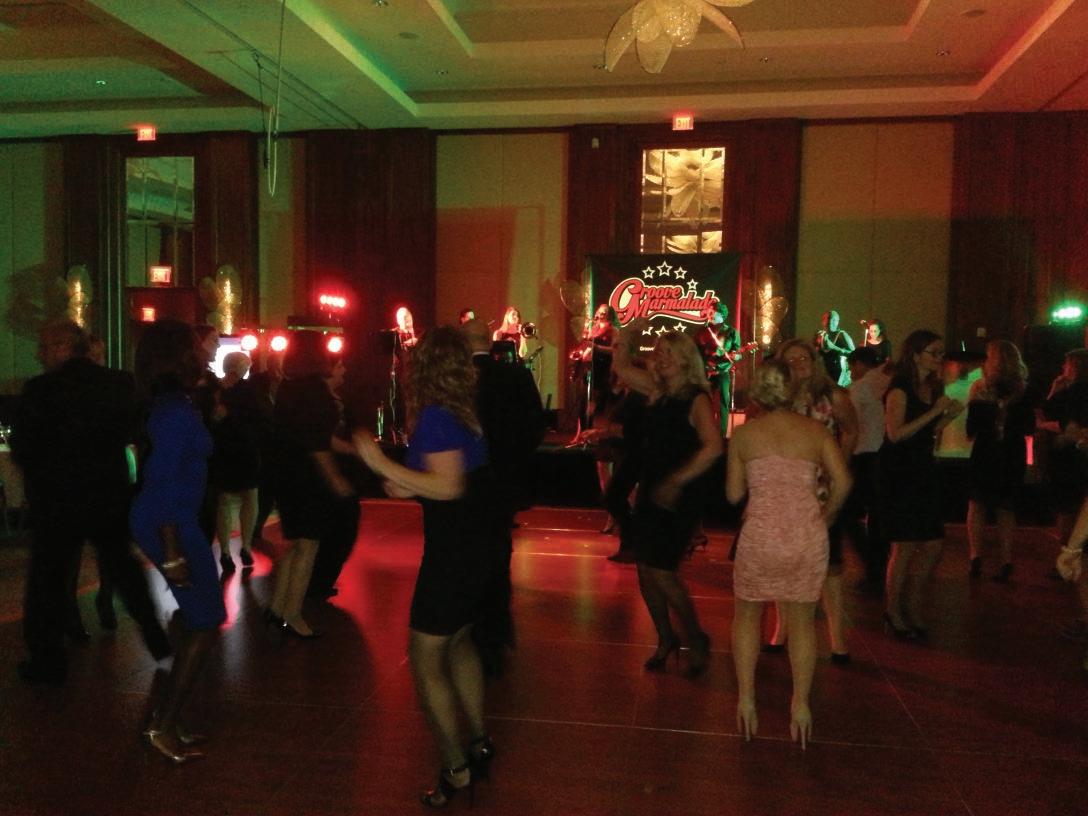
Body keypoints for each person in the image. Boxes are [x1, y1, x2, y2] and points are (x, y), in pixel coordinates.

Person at [354, 326, 502, 808]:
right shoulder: (463, 412)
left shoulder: (437, 416)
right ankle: (478, 742)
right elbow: (447, 478)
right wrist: (404, 481)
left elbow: (450, 486)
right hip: (477, 546)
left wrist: (378, 460)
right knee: (458, 643)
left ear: (424, 369)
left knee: (424, 658)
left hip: (454, 554)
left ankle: (456, 768)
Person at [12, 319, 169, 684]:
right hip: (107, 493)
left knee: (49, 580)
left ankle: (48, 662)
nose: (40, 353)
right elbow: (138, 431)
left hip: (58, 500)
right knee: (124, 568)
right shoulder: (118, 383)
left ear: (63, 347)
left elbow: (24, 448)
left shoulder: (41, 389)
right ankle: (156, 638)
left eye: (45, 346)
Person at [727, 359, 851, 750]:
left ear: (757, 391)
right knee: (801, 621)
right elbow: (844, 481)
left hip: (761, 535)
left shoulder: (746, 435)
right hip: (805, 535)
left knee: (748, 615)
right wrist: (826, 516)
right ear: (791, 390)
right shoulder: (815, 431)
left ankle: (747, 699)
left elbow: (733, 494)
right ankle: (800, 704)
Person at [130, 320, 225, 763]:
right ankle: (162, 725)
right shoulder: (173, 411)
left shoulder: (176, 404)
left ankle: (167, 718)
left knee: (198, 617)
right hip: (170, 521)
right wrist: (171, 553)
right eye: (198, 347)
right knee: (205, 619)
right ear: (179, 356)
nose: (207, 352)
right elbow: (163, 481)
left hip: (175, 518)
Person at [612, 320, 722, 678]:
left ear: (686, 359)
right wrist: (629, 333)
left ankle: (695, 638)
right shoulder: (657, 391)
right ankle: (665, 638)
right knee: (645, 571)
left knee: (663, 571)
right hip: (651, 489)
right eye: (658, 353)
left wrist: (677, 480)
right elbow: (621, 367)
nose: (660, 358)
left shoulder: (696, 398)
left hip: (680, 495)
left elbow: (713, 447)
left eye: (668, 353)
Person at [764, 339, 858, 662]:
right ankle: (782, 629)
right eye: (790, 360)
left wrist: (837, 467)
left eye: (803, 358)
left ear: (814, 361)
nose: (798, 364)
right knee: (785, 560)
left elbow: (851, 431)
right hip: (786, 488)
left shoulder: (832, 396)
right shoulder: (779, 398)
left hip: (822, 487)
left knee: (829, 564)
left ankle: (837, 639)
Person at [460, 318, 546, 675]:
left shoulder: (458, 380)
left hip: (466, 480)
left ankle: (469, 626)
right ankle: (495, 630)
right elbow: (536, 425)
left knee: (466, 551)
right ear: (489, 341)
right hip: (505, 479)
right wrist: (515, 461)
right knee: (498, 551)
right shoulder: (516, 376)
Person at [270, 331, 354, 638]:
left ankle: (278, 608)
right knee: (308, 545)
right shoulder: (315, 391)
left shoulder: (288, 387)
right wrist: (336, 478)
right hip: (307, 477)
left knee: (297, 544)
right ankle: (292, 613)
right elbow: (318, 443)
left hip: (286, 472)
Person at [879, 330, 963, 638]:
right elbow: (896, 434)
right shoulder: (900, 388)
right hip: (900, 471)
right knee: (905, 544)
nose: (940, 358)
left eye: (941, 353)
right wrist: (936, 412)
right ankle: (893, 610)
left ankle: (913, 605)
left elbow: (928, 431)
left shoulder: (933, 387)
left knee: (933, 543)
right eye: (934, 352)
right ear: (916, 355)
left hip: (923, 468)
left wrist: (947, 416)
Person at [965, 340, 1034, 582]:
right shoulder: (1023, 391)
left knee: (977, 505)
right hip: (1012, 453)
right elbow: (1029, 428)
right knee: (1006, 508)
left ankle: (976, 556)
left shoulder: (980, 388)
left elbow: (970, 430)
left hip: (985, 451)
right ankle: (1006, 561)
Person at [307, 355, 364, 600]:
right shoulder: (320, 401)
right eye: (340, 365)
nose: (345, 370)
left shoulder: (332, 399)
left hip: (337, 472)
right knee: (339, 530)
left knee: (340, 530)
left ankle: (319, 583)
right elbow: (322, 438)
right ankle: (317, 585)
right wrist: (355, 450)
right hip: (327, 474)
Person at [845, 347, 892, 589]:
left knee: (849, 513)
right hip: (885, 454)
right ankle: (879, 568)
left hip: (864, 455)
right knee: (877, 515)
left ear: (860, 364)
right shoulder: (888, 383)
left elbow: (849, 424)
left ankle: (874, 567)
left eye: (851, 367)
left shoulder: (859, 388)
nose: (851, 372)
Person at [210, 351, 261, 574]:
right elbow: (259, 420)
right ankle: (246, 545)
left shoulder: (216, 390)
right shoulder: (250, 391)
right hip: (247, 451)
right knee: (250, 498)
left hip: (222, 451)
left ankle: (225, 552)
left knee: (224, 502)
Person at [695, 300, 743, 434]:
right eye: (709, 312)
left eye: (712, 312)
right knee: (704, 402)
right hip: (705, 372)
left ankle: (722, 433)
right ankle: (704, 431)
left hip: (723, 371)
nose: (709, 314)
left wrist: (735, 356)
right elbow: (695, 353)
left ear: (721, 314)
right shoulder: (702, 331)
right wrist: (705, 364)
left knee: (723, 402)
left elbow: (739, 353)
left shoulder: (732, 332)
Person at [815, 310, 855, 387]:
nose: (830, 322)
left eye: (833, 320)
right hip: (824, 375)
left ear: (838, 322)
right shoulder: (820, 336)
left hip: (839, 376)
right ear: (822, 321)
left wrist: (834, 347)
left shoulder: (842, 335)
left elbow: (854, 354)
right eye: (827, 319)